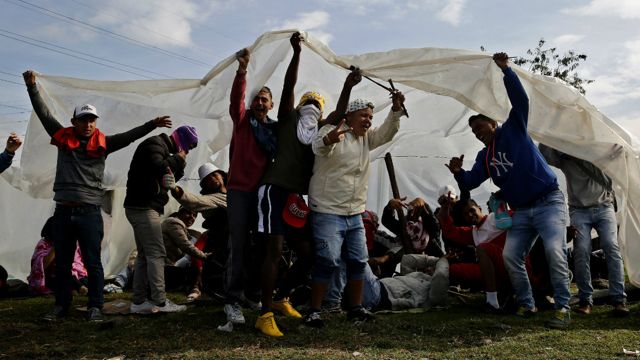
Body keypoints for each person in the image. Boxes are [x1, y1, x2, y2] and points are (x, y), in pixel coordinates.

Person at [23, 70, 172, 322]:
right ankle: (60, 307)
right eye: (83, 120)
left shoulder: (104, 144)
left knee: (93, 262)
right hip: (63, 211)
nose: (88, 124)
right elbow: (44, 114)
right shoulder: (62, 139)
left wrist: (151, 125)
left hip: (90, 213)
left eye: (92, 120)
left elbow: (128, 137)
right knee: (63, 263)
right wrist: (32, 87)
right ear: (74, 122)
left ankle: (95, 306)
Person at [445, 53, 572, 329]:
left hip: (548, 201)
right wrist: (457, 173)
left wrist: (506, 71)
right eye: (475, 132)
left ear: (493, 122)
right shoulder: (484, 157)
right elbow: (469, 183)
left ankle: (563, 307)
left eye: (481, 127)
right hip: (522, 211)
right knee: (510, 255)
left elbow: (521, 101)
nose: (478, 133)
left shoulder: (514, 129)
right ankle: (527, 304)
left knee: (554, 249)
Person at [255, 32, 360, 336]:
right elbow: (288, 86)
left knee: (308, 254)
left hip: (294, 198)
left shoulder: (318, 132)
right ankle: (263, 314)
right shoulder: (288, 119)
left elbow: (339, 114)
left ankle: (279, 297)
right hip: (273, 190)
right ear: (300, 105)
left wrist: (348, 85)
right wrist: (297, 53)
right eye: (308, 101)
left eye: (317, 103)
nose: (312, 105)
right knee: (274, 251)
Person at [304, 90, 406, 328]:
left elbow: (386, 133)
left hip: (354, 213)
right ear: (349, 116)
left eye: (370, 116)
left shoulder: (365, 138)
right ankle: (314, 311)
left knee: (359, 261)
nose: (368, 120)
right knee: (327, 260)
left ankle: (356, 309)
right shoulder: (331, 130)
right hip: (328, 210)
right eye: (364, 116)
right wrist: (330, 139)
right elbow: (318, 147)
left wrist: (395, 111)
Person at [539, 144, 629, 316]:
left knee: (611, 246)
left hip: (604, 206)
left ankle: (618, 299)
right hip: (579, 210)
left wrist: (618, 147)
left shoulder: (596, 151)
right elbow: (544, 152)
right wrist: (547, 132)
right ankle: (585, 299)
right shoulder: (564, 156)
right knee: (581, 251)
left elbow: (617, 153)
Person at [223, 47, 275, 326]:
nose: (259, 102)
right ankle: (231, 300)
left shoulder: (273, 131)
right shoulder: (243, 123)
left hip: (263, 196)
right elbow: (236, 101)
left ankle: (252, 294)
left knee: (262, 247)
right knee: (239, 245)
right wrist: (242, 71)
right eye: (256, 98)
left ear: (272, 104)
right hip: (240, 192)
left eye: (264, 99)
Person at [124, 125, 198, 314]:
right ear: (181, 140)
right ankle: (160, 301)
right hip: (143, 207)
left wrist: (179, 164)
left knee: (143, 255)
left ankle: (139, 301)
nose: (186, 152)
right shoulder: (154, 144)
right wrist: (178, 159)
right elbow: (159, 167)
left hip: (143, 206)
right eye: (187, 147)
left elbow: (169, 178)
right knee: (156, 253)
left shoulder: (163, 151)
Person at [437, 196, 510, 313]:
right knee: (455, 269)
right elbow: (450, 231)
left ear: (480, 209)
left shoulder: (496, 218)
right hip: (493, 272)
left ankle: (492, 301)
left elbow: (522, 217)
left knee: (482, 249)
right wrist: (445, 207)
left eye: (472, 210)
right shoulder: (473, 233)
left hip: (512, 265)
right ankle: (498, 292)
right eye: (466, 214)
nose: (470, 215)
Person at [167, 163, 228, 300]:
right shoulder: (212, 199)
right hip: (222, 243)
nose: (212, 178)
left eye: (214, 174)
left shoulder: (236, 193)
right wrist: (176, 189)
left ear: (222, 175)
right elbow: (194, 201)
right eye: (207, 179)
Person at [361, 256, 449, 312]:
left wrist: (444, 260)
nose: (430, 268)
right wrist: (437, 260)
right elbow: (406, 259)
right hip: (375, 287)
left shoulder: (435, 292)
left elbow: (440, 275)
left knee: (358, 260)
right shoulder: (416, 276)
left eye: (435, 268)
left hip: (378, 296)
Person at [28, 217, 88, 296]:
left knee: (85, 280)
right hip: (53, 277)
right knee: (62, 275)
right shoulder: (43, 244)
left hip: (75, 276)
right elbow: (41, 266)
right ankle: (77, 288)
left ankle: (78, 288)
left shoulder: (71, 243)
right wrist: (56, 247)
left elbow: (80, 262)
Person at [162, 207, 209, 300]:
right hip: (161, 268)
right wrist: (204, 256)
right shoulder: (174, 222)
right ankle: (194, 288)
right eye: (188, 213)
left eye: (195, 215)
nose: (192, 217)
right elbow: (185, 246)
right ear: (179, 213)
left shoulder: (188, 232)